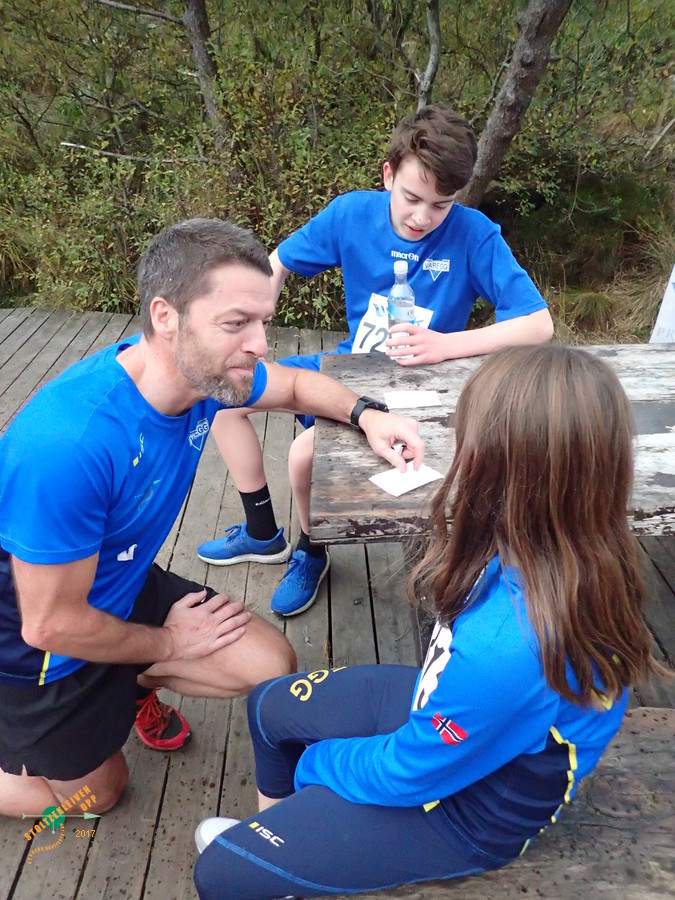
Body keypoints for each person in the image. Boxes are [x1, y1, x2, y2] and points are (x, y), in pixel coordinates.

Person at [193, 344, 666, 899]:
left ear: (501, 470)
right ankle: (284, 844)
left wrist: (319, 765)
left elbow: (407, 773)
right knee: (267, 706)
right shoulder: (567, 545)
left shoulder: (512, 644)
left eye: (465, 436)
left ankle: (277, 851)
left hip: (471, 813)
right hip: (452, 710)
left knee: (220, 873)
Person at [0, 218, 423, 819]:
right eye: (236, 323)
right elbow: (49, 625)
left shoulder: (204, 379)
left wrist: (367, 414)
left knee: (269, 663)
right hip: (37, 651)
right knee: (100, 795)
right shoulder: (69, 444)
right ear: (166, 317)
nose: (260, 344)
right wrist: (170, 641)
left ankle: (131, 683)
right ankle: (120, 683)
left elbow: (297, 388)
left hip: (115, 586)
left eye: (263, 322)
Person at [196, 103, 554, 616]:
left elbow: (538, 325)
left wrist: (446, 344)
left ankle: (311, 548)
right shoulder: (351, 214)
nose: (422, 217)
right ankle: (262, 532)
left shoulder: (475, 234)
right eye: (411, 198)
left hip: (417, 384)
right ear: (389, 175)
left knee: (303, 456)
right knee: (223, 399)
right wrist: (257, 325)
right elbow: (276, 262)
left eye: (441, 205)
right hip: (349, 367)